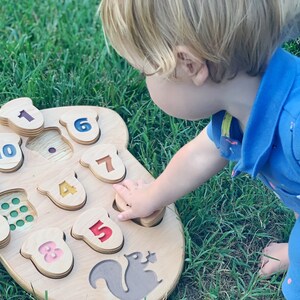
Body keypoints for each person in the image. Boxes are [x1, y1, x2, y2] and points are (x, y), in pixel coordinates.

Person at [99, 1, 300, 298]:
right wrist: (151, 197)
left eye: (145, 73)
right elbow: (202, 154)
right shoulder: (242, 103)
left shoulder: (295, 126)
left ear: (189, 65)